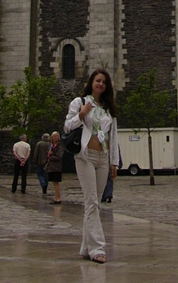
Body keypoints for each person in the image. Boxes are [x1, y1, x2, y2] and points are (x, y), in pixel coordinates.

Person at [65, 68, 118, 264]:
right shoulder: (80, 103)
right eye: (98, 80)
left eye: (104, 81)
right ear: (91, 82)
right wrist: (81, 114)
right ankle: (97, 248)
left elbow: (113, 137)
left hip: (103, 158)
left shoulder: (108, 108)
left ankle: (86, 247)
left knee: (95, 202)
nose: (100, 84)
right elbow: (67, 127)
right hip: (85, 156)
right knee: (91, 202)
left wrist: (114, 162)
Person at [46, 131, 63, 203]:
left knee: (56, 182)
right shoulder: (51, 146)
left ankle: (58, 198)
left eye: (56, 136)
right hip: (51, 167)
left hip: (56, 167)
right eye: (53, 136)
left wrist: (51, 157)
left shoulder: (60, 146)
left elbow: (59, 156)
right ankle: (56, 197)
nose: (54, 138)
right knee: (54, 182)